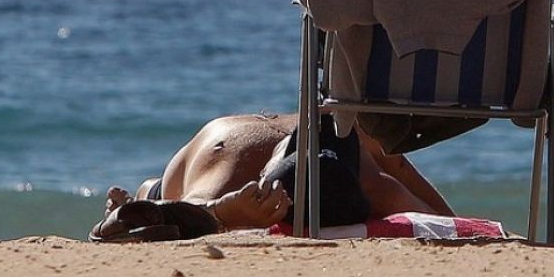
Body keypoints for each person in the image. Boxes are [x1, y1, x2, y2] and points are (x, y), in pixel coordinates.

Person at [97, 113, 455, 236]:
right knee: (175, 199)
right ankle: (148, 193)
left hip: (224, 142)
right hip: (221, 148)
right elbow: (446, 221)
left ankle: (147, 193)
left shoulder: (357, 140)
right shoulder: (376, 186)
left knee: (166, 197)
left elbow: (443, 217)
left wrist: (222, 213)